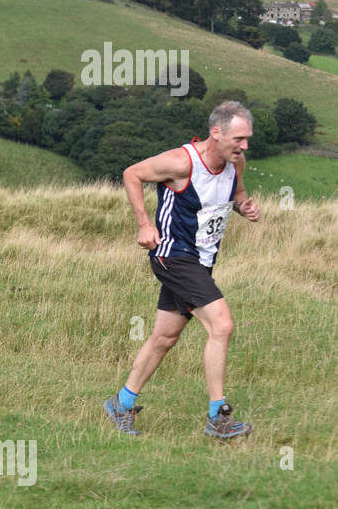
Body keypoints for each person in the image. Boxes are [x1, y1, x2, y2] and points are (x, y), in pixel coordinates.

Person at [105, 101, 261, 439]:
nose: (244, 145)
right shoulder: (182, 161)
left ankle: (121, 403)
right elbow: (132, 174)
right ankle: (218, 418)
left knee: (165, 337)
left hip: (201, 262)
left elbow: (237, 193)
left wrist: (243, 207)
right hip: (173, 255)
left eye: (247, 139)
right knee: (222, 325)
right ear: (215, 132)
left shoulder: (236, 163)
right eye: (239, 138)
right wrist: (144, 224)